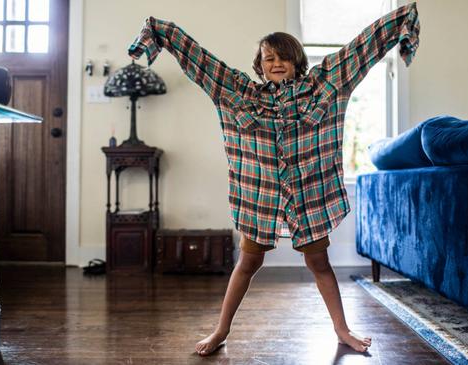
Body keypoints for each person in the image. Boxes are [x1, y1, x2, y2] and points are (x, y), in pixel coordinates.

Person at [128, 2, 420, 356]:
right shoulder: (240, 94)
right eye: (268, 58)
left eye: (283, 56)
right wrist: (162, 32)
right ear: (260, 66)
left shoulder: (323, 86)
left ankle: (342, 328)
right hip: (260, 197)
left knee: (319, 263)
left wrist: (399, 21)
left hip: (309, 195)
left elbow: (360, 48)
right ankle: (221, 329)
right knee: (248, 262)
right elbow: (202, 62)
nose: (276, 63)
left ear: (297, 61)